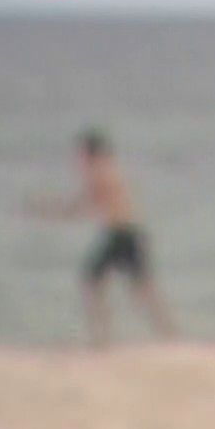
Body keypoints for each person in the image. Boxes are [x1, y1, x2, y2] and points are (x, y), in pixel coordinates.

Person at [25, 128, 179, 347]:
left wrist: (43, 210)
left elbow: (80, 206)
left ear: (90, 153)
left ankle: (104, 339)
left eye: (82, 153)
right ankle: (168, 335)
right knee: (137, 289)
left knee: (99, 282)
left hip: (122, 234)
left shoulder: (100, 173)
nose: (78, 159)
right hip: (126, 233)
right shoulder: (109, 170)